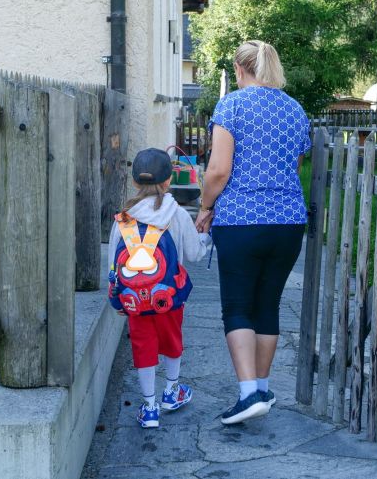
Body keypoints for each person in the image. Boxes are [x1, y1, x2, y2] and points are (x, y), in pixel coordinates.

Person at [195, 40, 309, 425]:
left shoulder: (232, 106)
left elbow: (217, 172)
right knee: (267, 305)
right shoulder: (295, 110)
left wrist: (206, 206)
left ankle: (248, 394)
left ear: (240, 69)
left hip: (242, 221)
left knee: (238, 306)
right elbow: (291, 166)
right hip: (289, 222)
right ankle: (261, 387)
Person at [107, 148, 208, 428]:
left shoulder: (124, 217)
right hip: (169, 297)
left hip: (134, 301)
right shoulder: (175, 213)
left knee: (143, 347)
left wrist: (117, 298)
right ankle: (171, 392)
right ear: (168, 181)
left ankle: (149, 407)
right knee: (172, 342)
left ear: (135, 182)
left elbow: (113, 265)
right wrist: (205, 238)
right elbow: (194, 253)